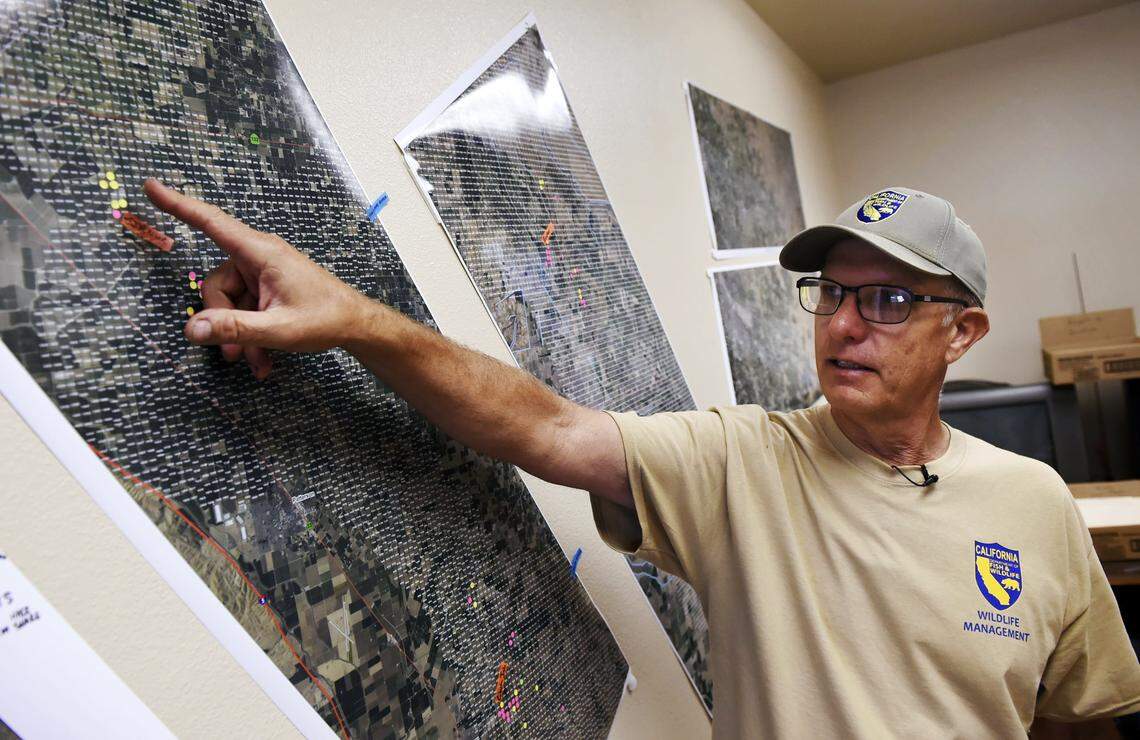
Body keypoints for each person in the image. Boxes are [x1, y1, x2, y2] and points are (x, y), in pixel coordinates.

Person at [143, 180, 1140, 737]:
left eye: (887, 300)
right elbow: (543, 427)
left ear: (963, 333)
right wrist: (357, 320)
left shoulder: (1034, 500)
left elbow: (1079, 715)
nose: (845, 324)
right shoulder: (748, 461)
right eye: (833, 293)